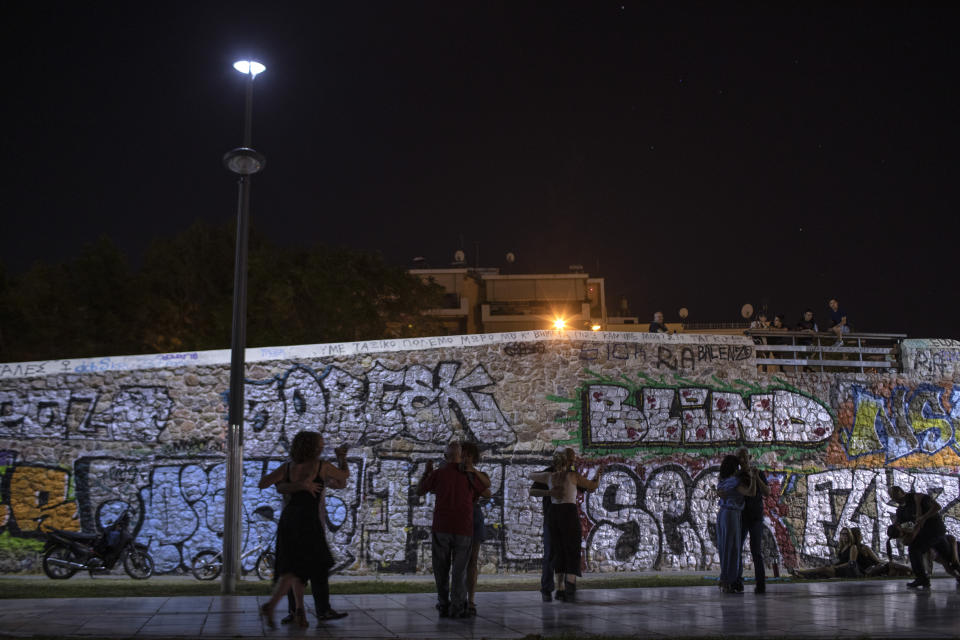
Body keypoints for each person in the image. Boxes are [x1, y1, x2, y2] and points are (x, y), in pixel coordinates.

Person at [259, 437, 350, 625]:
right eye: (320, 444)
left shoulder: (287, 468)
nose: (323, 446)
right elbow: (344, 477)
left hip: (289, 521)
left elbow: (264, 483)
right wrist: (342, 459)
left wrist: (288, 485)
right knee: (317, 565)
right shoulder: (321, 466)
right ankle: (312, 610)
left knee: (294, 567)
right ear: (314, 448)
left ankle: (295, 610)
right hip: (308, 522)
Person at [417, 441, 486, 618]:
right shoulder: (469, 476)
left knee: (441, 567)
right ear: (461, 455)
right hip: (464, 526)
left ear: (445, 456)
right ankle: (457, 606)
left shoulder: (438, 474)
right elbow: (485, 491)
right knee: (460, 569)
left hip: (442, 526)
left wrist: (426, 472)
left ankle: (443, 603)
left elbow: (420, 491)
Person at [529, 449, 601, 602]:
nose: (573, 463)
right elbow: (532, 491)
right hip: (558, 515)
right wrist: (550, 493)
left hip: (556, 514)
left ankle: (562, 588)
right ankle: (555, 588)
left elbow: (584, 487)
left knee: (560, 551)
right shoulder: (558, 473)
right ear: (564, 460)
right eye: (571, 460)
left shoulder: (559, 474)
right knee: (557, 552)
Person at [889, 485, 953, 589]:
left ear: (902, 492)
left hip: (935, 530)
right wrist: (896, 528)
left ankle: (922, 578)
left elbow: (937, 507)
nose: (894, 499)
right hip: (923, 534)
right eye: (892, 497)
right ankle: (922, 578)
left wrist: (924, 517)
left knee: (945, 555)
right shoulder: (901, 510)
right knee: (917, 550)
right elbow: (900, 522)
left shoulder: (918, 498)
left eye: (895, 496)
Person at [715, 454, 756, 593]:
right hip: (732, 515)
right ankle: (729, 580)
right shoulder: (735, 482)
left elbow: (719, 492)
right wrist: (753, 477)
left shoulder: (723, 481)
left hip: (722, 513)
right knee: (733, 548)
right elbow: (750, 492)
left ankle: (725, 578)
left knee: (724, 547)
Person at [460, 442, 492, 617]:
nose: (465, 458)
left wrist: (473, 473)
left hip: (473, 514)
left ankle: (471, 599)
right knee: (458, 560)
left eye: (468, 455)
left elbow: (488, 490)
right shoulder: (455, 473)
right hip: (458, 515)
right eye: (462, 454)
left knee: (472, 560)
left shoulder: (477, 474)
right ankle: (459, 597)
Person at [735, 447, 770, 593]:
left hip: (756, 517)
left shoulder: (759, 473)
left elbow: (767, 492)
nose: (743, 460)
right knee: (738, 550)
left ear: (749, 458)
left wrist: (756, 477)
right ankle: (737, 581)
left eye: (745, 457)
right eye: (740, 458)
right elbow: (749, 493)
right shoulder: (737, 476)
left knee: (756, 551)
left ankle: (760, 584)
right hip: (742, 517)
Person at [529, 458, 557, 602]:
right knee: (549, 554)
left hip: (567, 518)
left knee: (565, 554)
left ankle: (565, 587)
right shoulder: (548, 473)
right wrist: (549, 493)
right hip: (551, 518)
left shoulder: (571, 473)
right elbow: (532, 491)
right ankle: (546, 588)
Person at [788, 528, 862, 579]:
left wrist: (836, 567)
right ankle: (801, 575)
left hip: (845, 570)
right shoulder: (842, 548)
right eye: (842, 534)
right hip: (838, 568)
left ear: (850, 535)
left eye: (846, 534)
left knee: (822, 569)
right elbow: (839, 560)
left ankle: (800, 572)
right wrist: (833, 565)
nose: (844, 536)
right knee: (822, 573)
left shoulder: (853, 547)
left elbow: (851, 563)